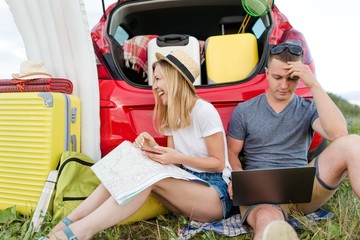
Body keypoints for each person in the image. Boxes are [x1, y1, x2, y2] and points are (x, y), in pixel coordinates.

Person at [47, 50, 232, 240]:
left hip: (214, 193)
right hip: (188, 185)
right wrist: (153, 149)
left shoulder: (204, 111)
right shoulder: (173, 114)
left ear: (174, 78)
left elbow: (218, 163)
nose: (155, 85)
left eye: (159, 78)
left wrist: (177, 157)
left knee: (146, 178)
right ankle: (68, 222)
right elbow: (174, 165)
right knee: (131, 154)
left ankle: (79, 232)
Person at [226, 42, 360, 240]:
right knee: (268, 222)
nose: (284, 85)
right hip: (261, 194)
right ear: (266, 73)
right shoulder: (245, 111)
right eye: (278, 77)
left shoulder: (308, 108)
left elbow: (339, 134)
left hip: (304, 189)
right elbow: (231, 153)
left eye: (292, 78)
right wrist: (236, 177)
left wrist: (313, 84)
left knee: (353, 142)